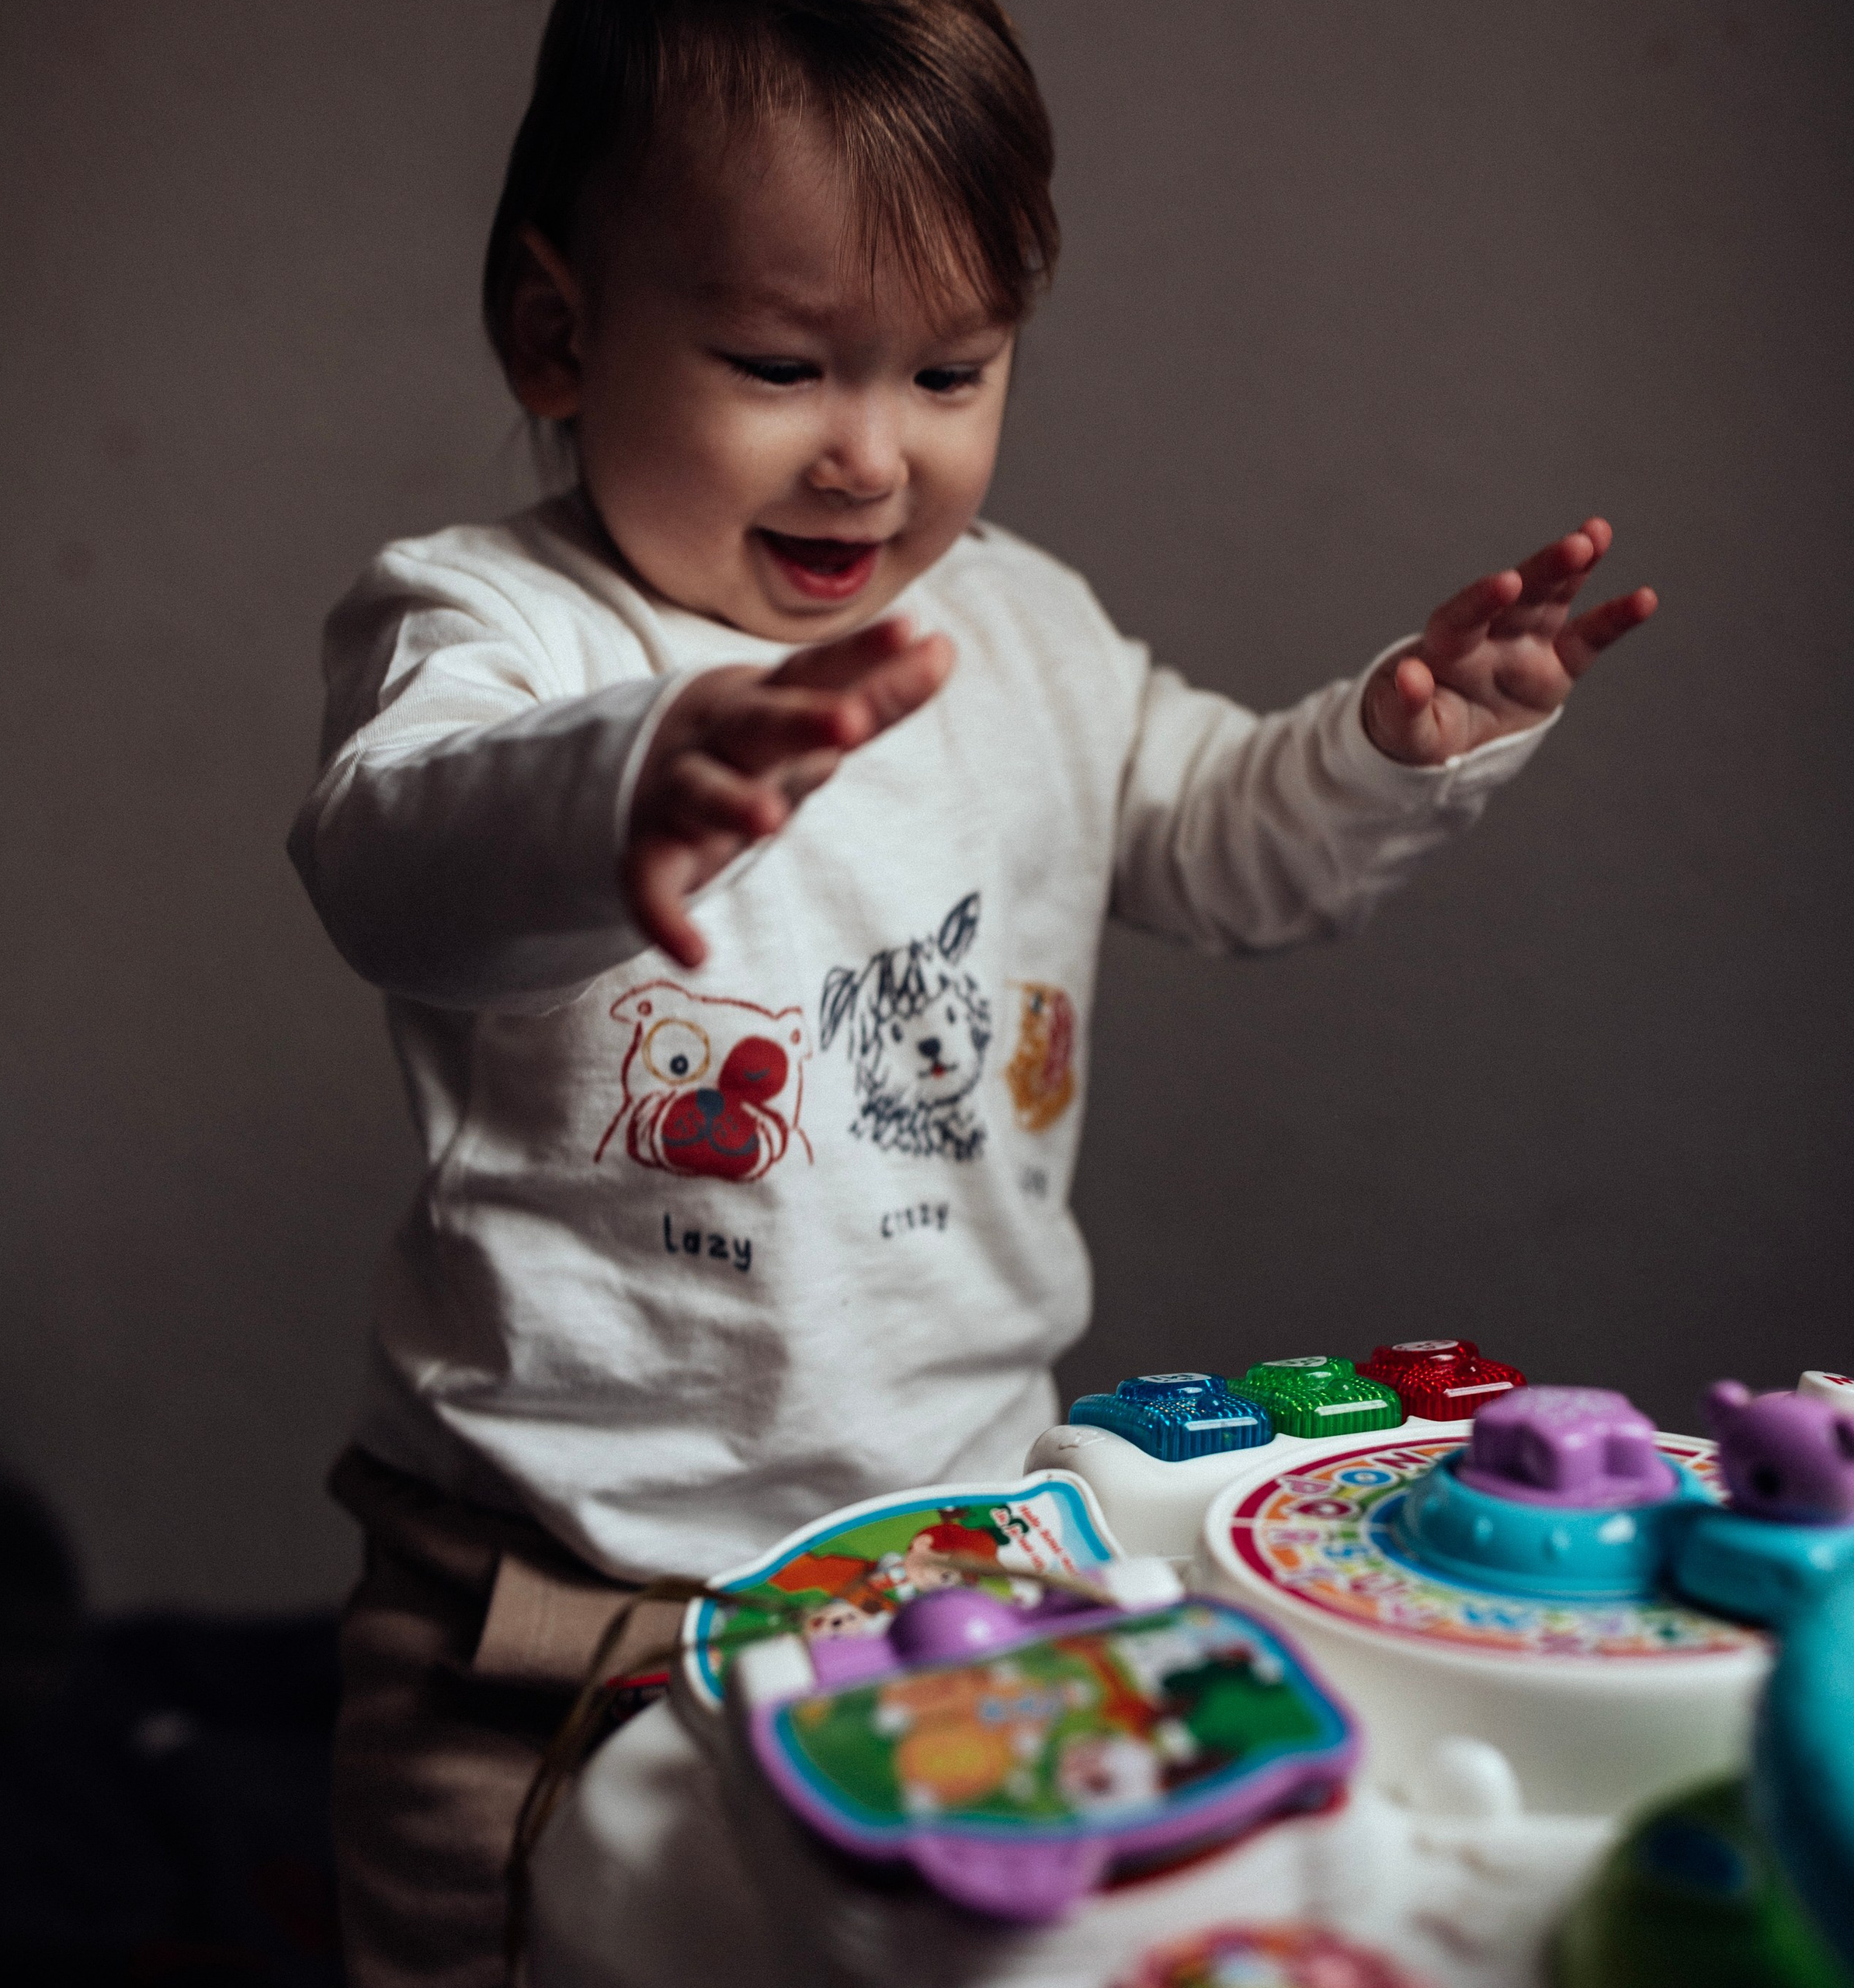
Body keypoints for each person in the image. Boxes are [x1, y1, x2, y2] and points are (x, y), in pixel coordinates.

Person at [286, 3, 1656, 1980]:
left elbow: (1212, 837)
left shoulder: (1017, 625)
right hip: (546, 1599)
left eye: (950, 368)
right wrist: (628, 784)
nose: (869, 450)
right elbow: (391, 860)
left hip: (954, 1569)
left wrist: (1390, 741)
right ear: (555, 334)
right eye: (778, 364)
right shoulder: (492, 621)